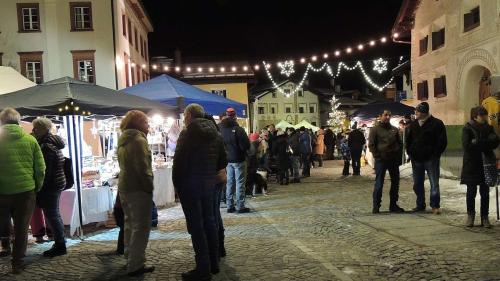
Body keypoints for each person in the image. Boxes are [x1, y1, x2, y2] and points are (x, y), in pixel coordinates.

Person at [173, 104, 227, 281]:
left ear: (189, 115)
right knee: (210, 222)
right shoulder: (216, 134)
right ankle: (213, 263)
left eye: (185, 115)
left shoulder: (187, 134)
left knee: (196, 226)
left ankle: (203, 269)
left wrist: (177, 186)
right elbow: (222, 162)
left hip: (190, 186)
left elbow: (178, 164)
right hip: (208, 185)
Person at [0, 108, 45, 274]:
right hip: (25, 192)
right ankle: (17, 263)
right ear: (18, 122)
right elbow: (40, 168)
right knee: (21, 229)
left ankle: (6, 246)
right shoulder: (30, 140)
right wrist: (37, 186)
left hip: (2, 192)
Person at [117, 110, 155, 276]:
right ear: (139, 123)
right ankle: (136, 264)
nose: (148, 126)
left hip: (125, 186)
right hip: (138, 188)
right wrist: (149, 186)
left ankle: (129, 257)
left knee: (130, 225)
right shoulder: (138, 141)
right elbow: (142, 167)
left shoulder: (124, 139)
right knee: (141, 227)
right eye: (146, 123)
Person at [31, 118, 67, 257]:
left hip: (50, 185)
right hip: (56, 183)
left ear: (43, 129)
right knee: (54, 214)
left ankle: (60, 244)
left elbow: (46, 170)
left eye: (35, 128)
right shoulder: (53, 142)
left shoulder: (46, 146)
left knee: (52, 214)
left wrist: (40, 187)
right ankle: (59, 242)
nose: (33, 131)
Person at [406, 102, 447, 214]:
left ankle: (435, 206)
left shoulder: (437, 124)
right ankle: (420, 204)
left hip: (431, 159)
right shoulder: (413, 125)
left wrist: (435, 154)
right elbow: (408, 140)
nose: (415, 113)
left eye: (417, 111)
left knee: (434, 183)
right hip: (416, 159)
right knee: (417, 183)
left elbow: (442, 141)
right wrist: (410, 153)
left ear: (424, 112)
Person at [461, 106, 499, 228]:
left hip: (486, 164)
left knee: (485, 192)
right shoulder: (467, 128)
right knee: (471, 192)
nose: (484, 117)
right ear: (475, 116)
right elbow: (467, 145)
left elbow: (495, 142)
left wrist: (477, 142)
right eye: (481, 115)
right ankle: (470, 216)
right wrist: (485, 143)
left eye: (485, 115)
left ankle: (485, 217)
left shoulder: (489, 128)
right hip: (472, 164)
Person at [368, 109, 405, 214]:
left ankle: (393, 205)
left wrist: (397, 155)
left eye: (389, 115)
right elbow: (371, 145)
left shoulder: (394, 129)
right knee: (379, 183)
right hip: (381, 160)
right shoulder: (375, 129)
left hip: (393, 160)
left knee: (395, 183)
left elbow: (400, 143)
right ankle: (376, 206)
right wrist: (378, 156)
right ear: (380, 116)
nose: (388, 117)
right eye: (385, 115)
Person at [221, 108, 250, 214]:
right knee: (240, 183)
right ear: (235, 116)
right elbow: (246, 145)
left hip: (228, 160)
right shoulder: (239, 129)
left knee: (230, 182)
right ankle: (240, 206)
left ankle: (229, 205)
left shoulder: (221, 129)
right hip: (239, 159)